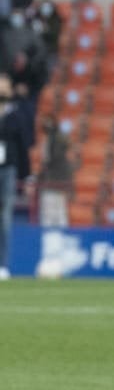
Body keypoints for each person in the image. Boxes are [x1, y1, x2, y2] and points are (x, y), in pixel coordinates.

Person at [0, 74, 31, 279]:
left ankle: (2, 264)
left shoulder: (16, 114)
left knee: (4, 218)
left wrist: (27, 176)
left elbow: (23, 146)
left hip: (7, 170)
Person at [36, 112, 73, 228]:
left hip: (52, 182)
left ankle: (52, 239)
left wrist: (40, 177)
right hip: (58, 183)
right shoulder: (57, 139)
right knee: (59, 214)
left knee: (51, 215)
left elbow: (48, 161)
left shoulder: (53, 140)